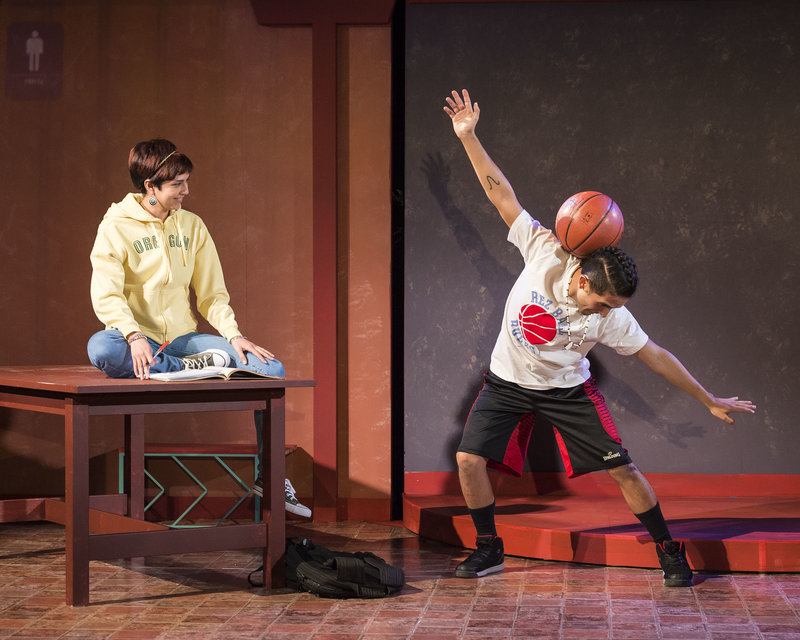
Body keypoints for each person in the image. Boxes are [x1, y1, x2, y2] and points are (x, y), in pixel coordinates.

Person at [443, 89, 756, 586]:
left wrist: (707, 398)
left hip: (568, 392)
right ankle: (489, 548)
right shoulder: (544, 250)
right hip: (507, 383)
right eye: (608, 304)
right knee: (467, 459)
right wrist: (469, 136)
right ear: (585, 281)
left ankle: (668, 551)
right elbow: (501, 193)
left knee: (624, 471)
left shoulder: (612, 317)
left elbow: (655, 355)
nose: (613, 315)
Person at [87, 138, 310, 518]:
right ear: (151, 188)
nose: (186, 192)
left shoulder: (192, 226)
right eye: (178, 185)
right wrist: (134, 334)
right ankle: (191, 369)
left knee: (271, 370)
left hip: (184, 340)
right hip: (134, 341)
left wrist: (233, 335)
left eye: (186, 182)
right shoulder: (115, 226)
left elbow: (211, 294)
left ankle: (269, 476)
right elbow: (106, 293)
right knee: (101, 349)